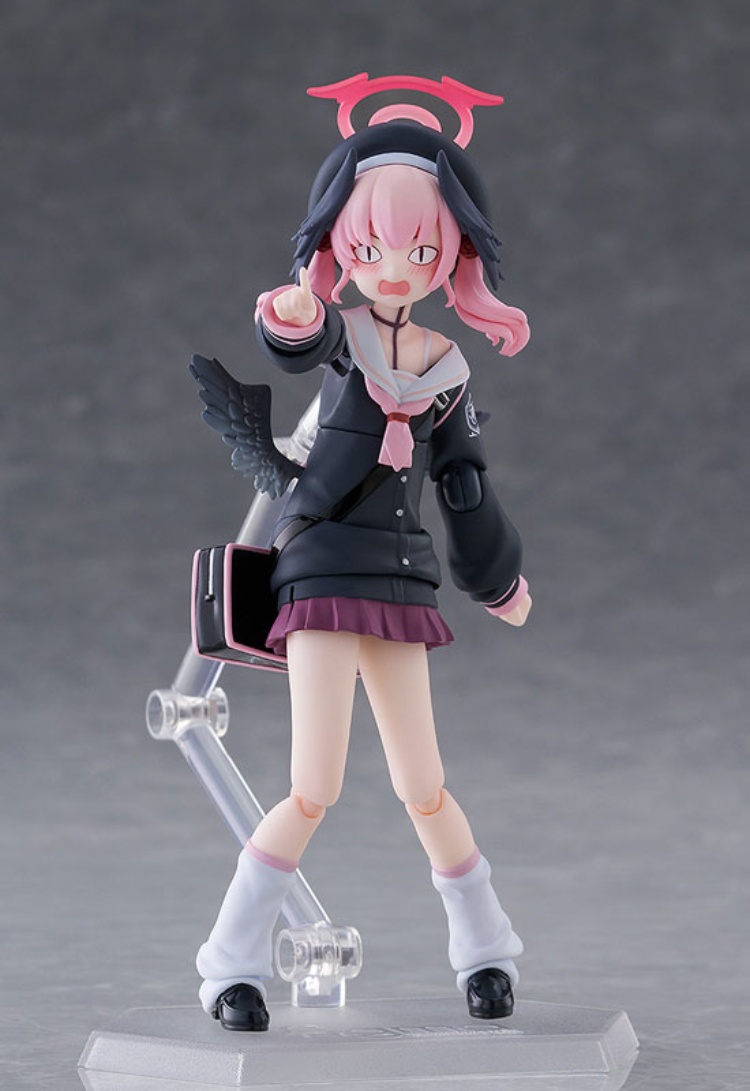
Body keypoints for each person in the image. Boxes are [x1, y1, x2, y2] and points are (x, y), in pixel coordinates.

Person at [195, 81, 532, 1032]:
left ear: (451, 254)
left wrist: (497, 575)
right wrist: (293, 309)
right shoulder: (343, 339)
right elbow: (294, 341)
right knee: (315, 784)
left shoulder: (445, 367)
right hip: (320, 573)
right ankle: (228, 964)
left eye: (420, 251)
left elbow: (462, 485)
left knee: (424, 784)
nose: (393, 269)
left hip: (401, 579)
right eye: (373, 246)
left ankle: (487, 951)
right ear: (343, 240)